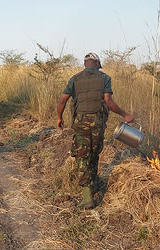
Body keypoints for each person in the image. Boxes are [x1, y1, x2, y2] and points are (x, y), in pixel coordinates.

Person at [57, 52, 134, 209]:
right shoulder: (105, 78)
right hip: (97, 122)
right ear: (97, 64)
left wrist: (59, 117)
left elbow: (63, 100)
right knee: (93, 153)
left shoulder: (75, 79)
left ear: (85, 64)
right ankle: (93, 185)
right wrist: (125, 114)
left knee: (82, 156)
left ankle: (87, 198)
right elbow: (108, 102)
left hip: (80, 122)